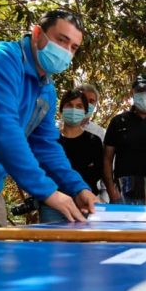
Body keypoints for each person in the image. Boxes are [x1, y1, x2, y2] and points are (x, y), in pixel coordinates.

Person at [0, 10, 98, 239]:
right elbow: (4, 130)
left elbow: (46, 146)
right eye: (61, 40)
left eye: (73, 47)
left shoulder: (47, 90)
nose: (65, 51)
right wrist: (48, 192)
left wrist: (78, 188)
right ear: (36, 33)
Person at [103, 73, 146, 204]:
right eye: (139, 90)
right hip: (123, 196)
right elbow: (107, 159)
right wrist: (111, 191)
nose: (144, 94)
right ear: (132, 93)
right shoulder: (118, 122)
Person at [40, 89, 104, 222]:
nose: (74, 109)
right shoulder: (50, 141)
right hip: (53, 204)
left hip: (85, 205)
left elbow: (97, 174)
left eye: (79, 106)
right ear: (61, 109)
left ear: (85, 112)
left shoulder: (94, 141)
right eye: (69, 105)